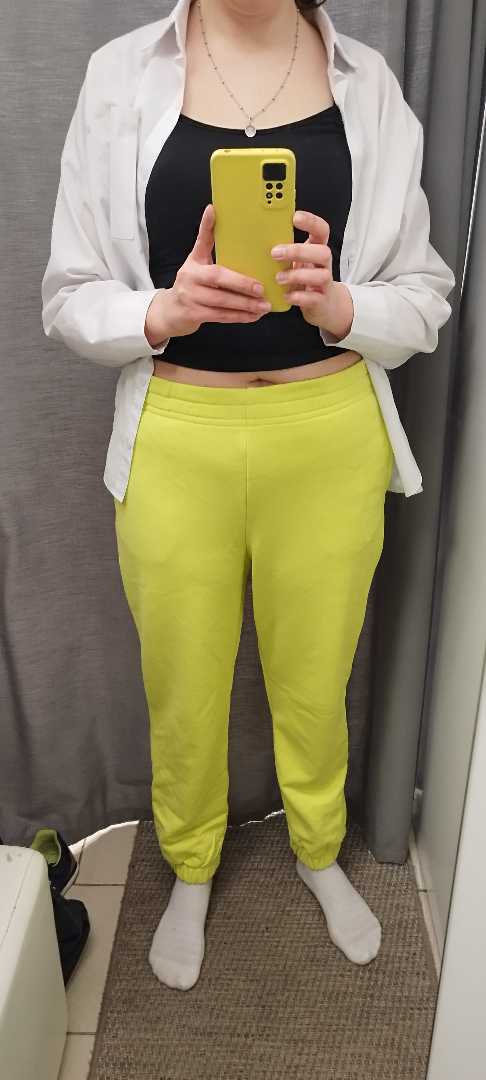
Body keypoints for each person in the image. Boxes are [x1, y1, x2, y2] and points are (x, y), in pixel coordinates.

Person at [41, 0, 455, 991]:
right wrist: (163, 310)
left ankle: (318, 849)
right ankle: (190, 865)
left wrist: (342, 303)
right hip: (178, 438)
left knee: (317, 674)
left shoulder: (368, 85)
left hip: (329, 434)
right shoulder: (119, 75)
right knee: (181, 681)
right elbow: (68, 293)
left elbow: (425, 293)